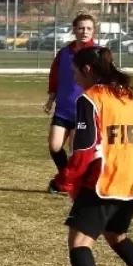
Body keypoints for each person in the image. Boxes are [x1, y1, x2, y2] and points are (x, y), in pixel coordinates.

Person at [53, 46, 133, 266]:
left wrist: (64, 179)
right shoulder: (128, 97)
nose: (75, 78)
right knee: (116, 235)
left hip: (108, 180)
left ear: (87, 70)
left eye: (75, 72)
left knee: (79, 242)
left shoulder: (91, 99)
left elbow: (84, 149)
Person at [44, 13, 96, 194]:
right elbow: (55, 76)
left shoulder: (97, 53)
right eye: (81, 28)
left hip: (84, 111)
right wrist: (51, 98)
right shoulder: (65, 53)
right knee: (55, 146)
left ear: (93, 30)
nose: (85, 31)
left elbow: (105, 80)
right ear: (74, 30)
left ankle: (67, 183)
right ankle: (66, 178)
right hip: (63, 110)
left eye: (89, 28)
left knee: (76, 153)